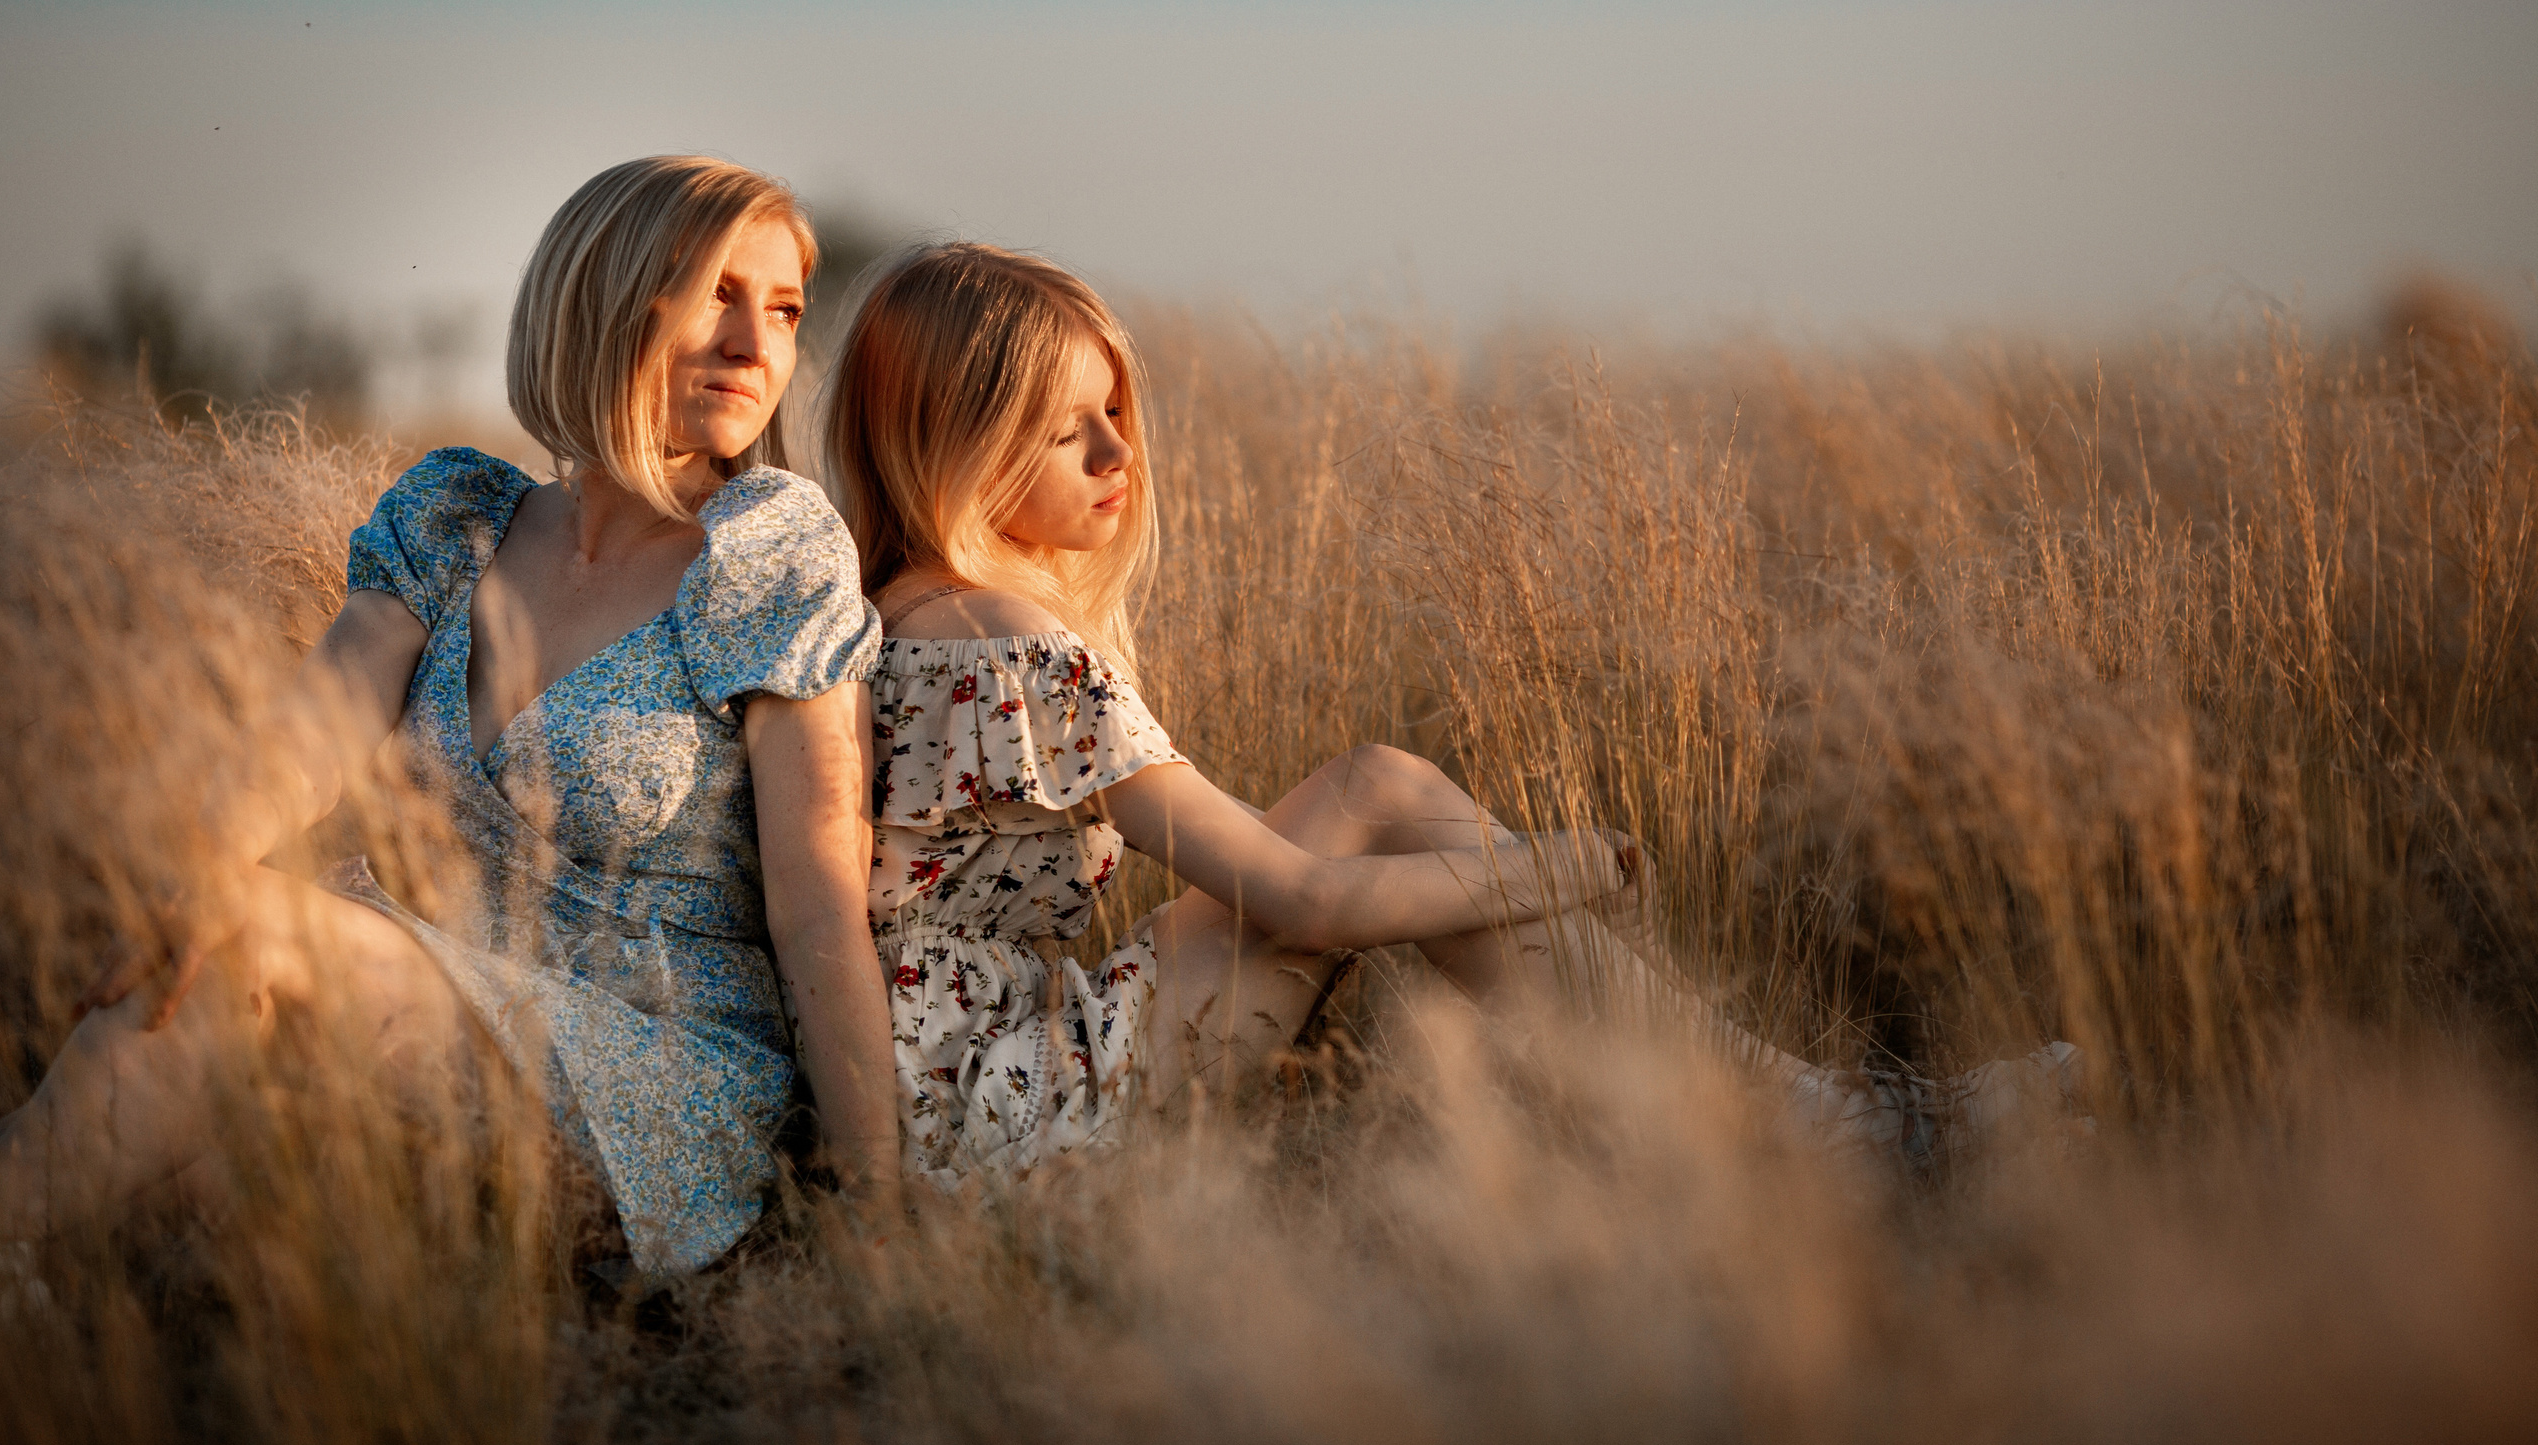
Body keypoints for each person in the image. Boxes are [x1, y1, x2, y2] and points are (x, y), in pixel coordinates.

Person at [822, 242, 2075, 1188]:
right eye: (1063, 431)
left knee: (1373, 784)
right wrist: (1569, 866)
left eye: (1117, 416)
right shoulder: (1011, 650)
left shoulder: (892, 618)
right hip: (1013, 1114)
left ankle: (1807, 1110)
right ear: (961, 447)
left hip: (952, 1089)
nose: (1118, 458)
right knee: (1388, 820)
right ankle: (1817, 1128)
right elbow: (1305, 905)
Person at [0, 156, 894, 1279]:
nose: (758, 345)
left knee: (255, 945)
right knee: (187, 1054)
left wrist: (878, 1207)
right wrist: (203, 868)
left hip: (646, 1071)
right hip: (416, 1006)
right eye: (718, 292)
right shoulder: (460, 518)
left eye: (786, 310)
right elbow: (313, 728)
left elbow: (817, 901)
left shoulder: (767, 554)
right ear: (602, 296)